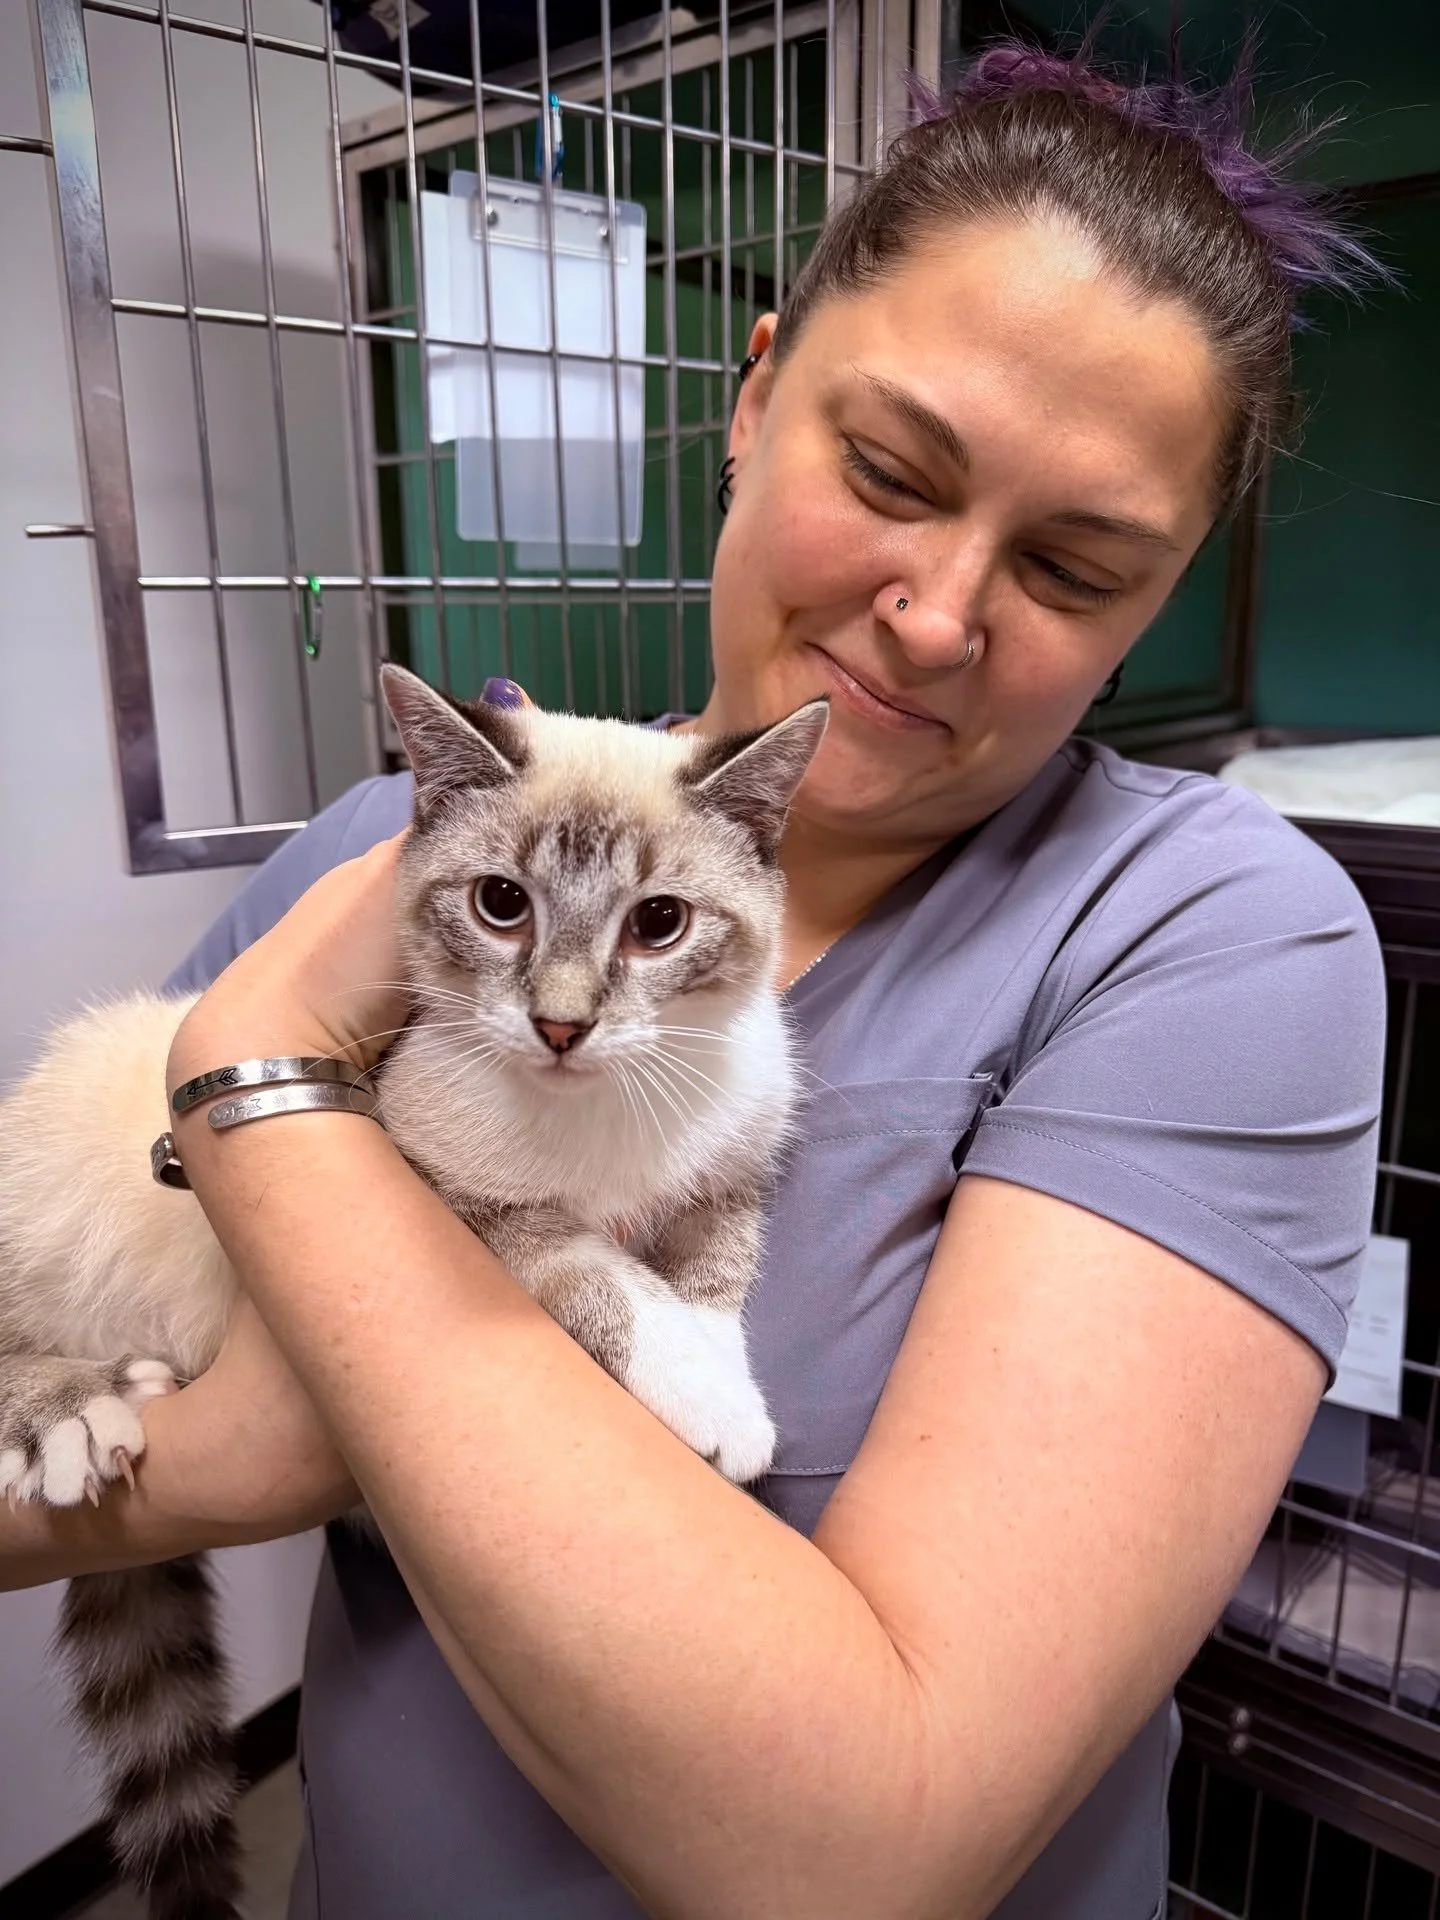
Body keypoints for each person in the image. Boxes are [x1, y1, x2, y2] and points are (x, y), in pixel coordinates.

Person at [1, 42, 1388, 1920]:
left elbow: (858, 1856)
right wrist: (197, 1465)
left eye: (1075, 568)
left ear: (1167, 593)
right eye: (887, 470)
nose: (937, 616)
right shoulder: (394, 858)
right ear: (752, 397)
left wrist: (255, 1074)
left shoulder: (1216, 940)